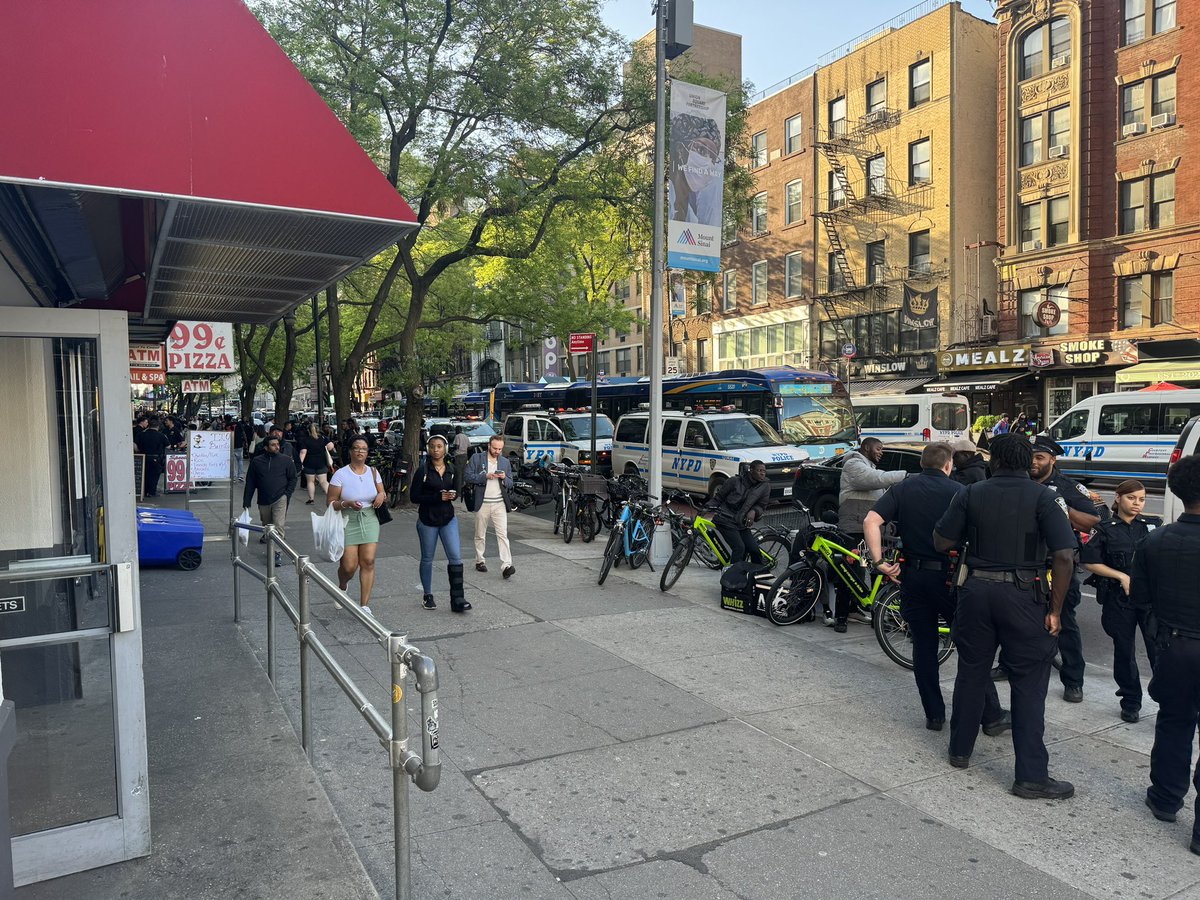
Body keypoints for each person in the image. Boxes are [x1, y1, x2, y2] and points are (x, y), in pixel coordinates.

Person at [934, 433, 1077, 799]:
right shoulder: (1045, 497)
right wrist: (1056, 611)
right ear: (1027, 461)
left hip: (976, 592)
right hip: (1024, 595)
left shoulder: (970, 493)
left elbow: (942, 541)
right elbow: (1064, 556)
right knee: (1029, 683)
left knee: (971, 671)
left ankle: (960, 750)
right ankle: (1030, 776)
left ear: (994, 461)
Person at [863, 442, 1009, 734]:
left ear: (922, 464)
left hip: (912, 578)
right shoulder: (959, 491)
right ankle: (990, 715)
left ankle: (934, 714)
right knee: (971, 648)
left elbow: (871, 520)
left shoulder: (903, 489)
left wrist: (879, 562)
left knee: (924, 646)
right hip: (950, 579)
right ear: (948, 465)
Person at [1135, 455, 1200, 845]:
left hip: (1174, 645)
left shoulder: (1155, 539)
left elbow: (1140, 598)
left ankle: (1165, 798)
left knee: (1174, 721)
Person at [1082, 479, 1160, 723]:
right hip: (1119, 598)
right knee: (1124, 652)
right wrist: (1121, 576)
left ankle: (1167, 700)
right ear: (1118, 498)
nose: (1137, 504)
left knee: (1158, 652)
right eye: (1131, 498)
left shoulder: (1151, 527)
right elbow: (1089, 562)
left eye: (1141, 499)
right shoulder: (1105, 528)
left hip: (1148, 601)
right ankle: (1130, 701)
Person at [1030, 435, 1100, 702]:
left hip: (1059, 564)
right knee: (1021, 620)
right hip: (1028, 563)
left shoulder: (1067, 487)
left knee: (1065, 622)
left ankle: (1073, 679)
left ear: (1052, 459)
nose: (1033, 462)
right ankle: (1008, 665)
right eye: (1031, 457)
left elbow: (1092, 522)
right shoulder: (1022, 481)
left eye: (1039, 457)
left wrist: (1060, 506)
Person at [833, 437, 905, 632]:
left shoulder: (868, 465)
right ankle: (842, 616)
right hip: (855, 528)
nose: (881, 452)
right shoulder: (853, 463)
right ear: (866, 447)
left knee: (873, 570)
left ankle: (870, 615)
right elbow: (875, 479)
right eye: (878, 448)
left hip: (869, 530)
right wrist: (905, 475)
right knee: (850, 572)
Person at [327, 437, 386, 614]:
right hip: (348, 519)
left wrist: (381, 495)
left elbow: (382, 491)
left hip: (369, 518)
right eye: (357, 448)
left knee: (368, 561)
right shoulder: (341, 474)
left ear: (367, 453)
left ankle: (364, 605)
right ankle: (342, 586)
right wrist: (347, 504)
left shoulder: (373, 472)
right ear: (351, 451)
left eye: (364, 449)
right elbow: (330, 502)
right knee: (349, 566)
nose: (360, 451)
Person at [410, 435, 469, 612]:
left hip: (448, 519)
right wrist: (437, 496)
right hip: (428, 520)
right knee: (428, 558)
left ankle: (458, 599)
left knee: (456, 557)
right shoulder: (423, 471)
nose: (436, 450)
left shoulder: (451, 468)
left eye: (439, 446)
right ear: (428, 449)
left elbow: (457, 492)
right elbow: (414, 497)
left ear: (445, 449)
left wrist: (453, 495)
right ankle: (428, 595)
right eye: (432, 447)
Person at [465, 435, 516, 578]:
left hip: (499, 503)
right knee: (480, 534)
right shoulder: (477, 458)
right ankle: (480, 561)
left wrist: (504, 478)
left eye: (500, 449)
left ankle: (507, 565)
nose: (497, 451)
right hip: (482, 502)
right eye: (495, 448)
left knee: (503, 534)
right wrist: (485, 476)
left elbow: (511, 483)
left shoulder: (505, 462)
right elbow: (467, 476)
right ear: (489, 445)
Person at [242, 434, 297, 565]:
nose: (276, 447)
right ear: (266, 447)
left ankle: (276, 553)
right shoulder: (257, 461)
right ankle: (270, 548)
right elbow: (250, 482)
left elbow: (293, 478)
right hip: (263, 499)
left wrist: (287, 494)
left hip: (280, 498)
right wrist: (246, 501)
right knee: (267, 526)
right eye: (273, 445)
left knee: (278, 526)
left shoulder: (286, 460)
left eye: (277, 444)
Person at [706, 460, 771, 566]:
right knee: (739, 548)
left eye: (764, 471)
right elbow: (719, 497)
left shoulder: (765, 486)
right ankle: (732, 579)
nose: (762, 473)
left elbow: (762, 505)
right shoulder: (734, 481)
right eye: (759, 470)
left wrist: (753, 511)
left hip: (741, 522)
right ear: (751, 470)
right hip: (725, 520)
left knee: (754, 550)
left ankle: (758, 574)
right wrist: (707, 507)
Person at [667, 113, 724, 227]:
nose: (708, 162)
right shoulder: (665, 199)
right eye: (702, 150)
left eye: (713, 158)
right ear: (680, 149)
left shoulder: (692, 218)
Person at [298, 423, 337, 505]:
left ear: (308, 431)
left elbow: (303, 452)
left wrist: (300, 463)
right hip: (321, 463)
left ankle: (311, 499)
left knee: (310, 482)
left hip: (309, 463)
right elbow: (330, 446)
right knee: (324, 482)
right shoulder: (323, 438)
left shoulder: (305, 440)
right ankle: (332, 498)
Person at [138, 420, 168, 497]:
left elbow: (135, 444)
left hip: (143, 457)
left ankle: (143, 491)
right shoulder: (161, 435)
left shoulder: (142, 434)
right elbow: (168, 446)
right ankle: (152, 492)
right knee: (154, 476)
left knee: (144, 474)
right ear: (158, 427)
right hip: (156, 457)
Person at [452, 425, 471, 497]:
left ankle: (458, 492)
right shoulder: (466, 436)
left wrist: (452, 449)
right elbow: (469, 447)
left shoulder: (457, 436)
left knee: (458, 474)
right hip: (465, 456)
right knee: (463, 474)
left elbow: (456, 446)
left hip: (458, 456)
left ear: (457, 430)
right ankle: (463, 489)